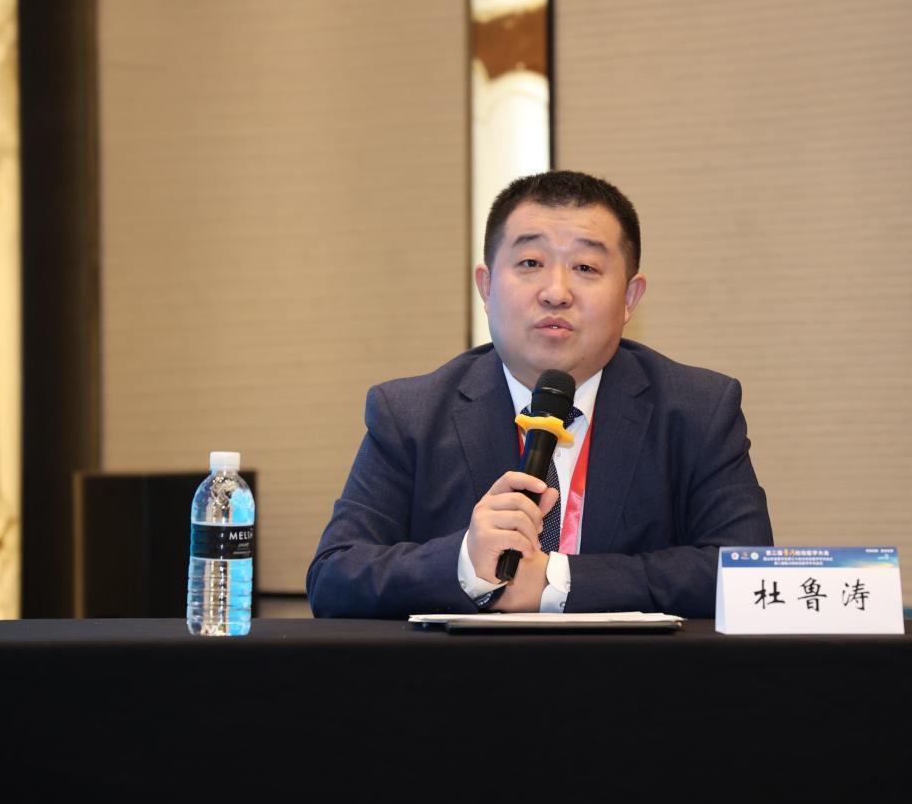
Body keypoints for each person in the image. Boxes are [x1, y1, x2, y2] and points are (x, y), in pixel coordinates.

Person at [307, 170, 772, 618]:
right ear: (486, 287)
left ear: (629, 298)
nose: (556, 292)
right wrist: (466, 563)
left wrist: (557, 579)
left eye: (586, 267)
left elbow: (745, 574)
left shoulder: (697, 410)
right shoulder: (410, 414)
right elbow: (334, 576)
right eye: (530, 263)